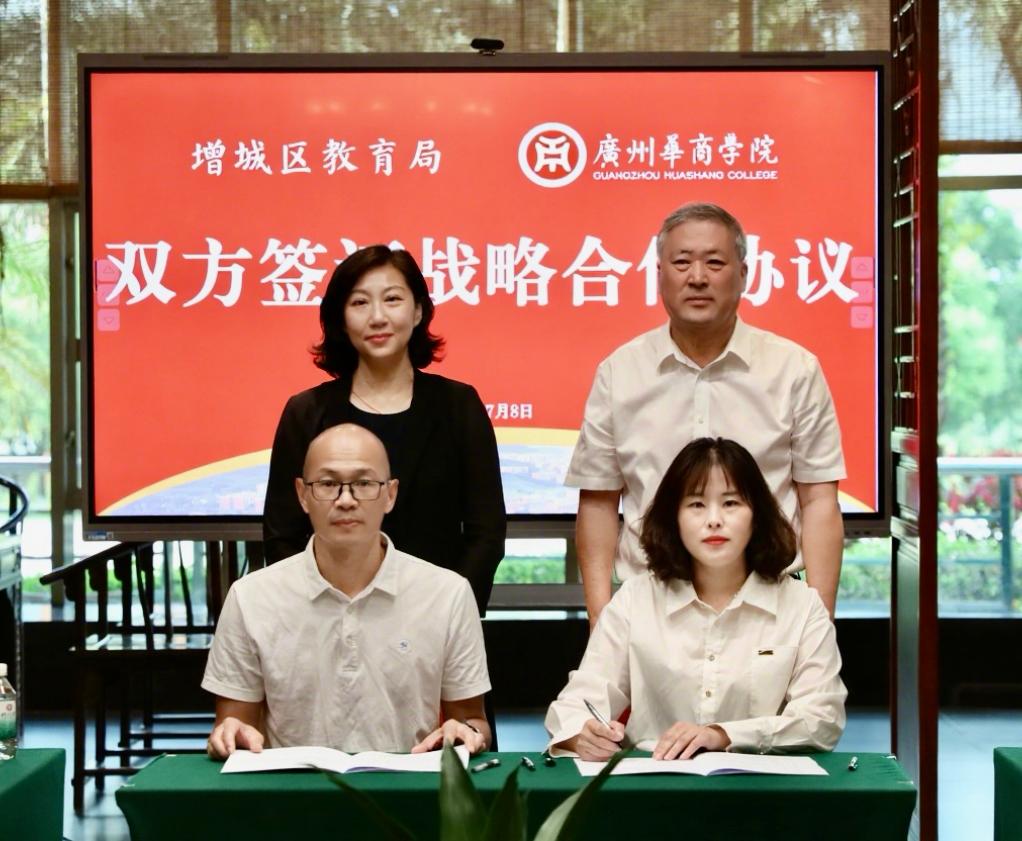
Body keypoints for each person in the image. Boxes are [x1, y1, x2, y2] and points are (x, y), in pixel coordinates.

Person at [566, 202, 845, 624]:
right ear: (659, 274)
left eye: (715, 262)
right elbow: (597, 503)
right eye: (681, 263)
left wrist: (819, 624)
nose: (697, 277)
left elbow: (819, 500)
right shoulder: (619, 372)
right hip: (650, 607)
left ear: (744, 274)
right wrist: (600, 622)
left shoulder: (794, 369)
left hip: (770, 606)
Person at [546, 437, 846, 760]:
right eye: (696, 505)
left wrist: (724, 735)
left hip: (763, 785)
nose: (714, 520)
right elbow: (575, 706)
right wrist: (583, 735)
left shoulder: (802, 605)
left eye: (731, 503)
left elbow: (822, 718)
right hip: (653, 781)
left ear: (757, 515)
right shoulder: (635, 600)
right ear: (674, 518)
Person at [204, 423, 492, 759]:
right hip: (291, 788)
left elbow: (473, 720)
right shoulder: (250, 598)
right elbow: (234, 725)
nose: (345, 500)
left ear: (390, 494)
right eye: (327, 484)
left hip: (409, 786)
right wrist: (228, 735)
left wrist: (467, 732)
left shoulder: (448, 594)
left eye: (364, 483)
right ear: (302, 494)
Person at [262, 245, 506, 616]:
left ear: (418, 310)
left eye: (392, 299)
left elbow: (486, 532)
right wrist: (318, 613)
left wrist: (450, 614)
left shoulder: (458, 406)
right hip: (328, 618)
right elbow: (282, 534)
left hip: (437, 617)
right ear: (341, 319)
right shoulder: (307, 412)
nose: (377, 317)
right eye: (360, 303)